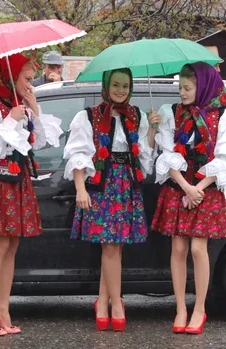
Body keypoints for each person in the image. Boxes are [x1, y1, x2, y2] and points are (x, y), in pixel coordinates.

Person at [0, 53, 63, 336]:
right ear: (9, 76)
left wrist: (34, 108)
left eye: (32, 79)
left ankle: (4, 307)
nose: (29, 84)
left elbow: (42, 142)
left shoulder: (17, 105)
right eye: (26, 79)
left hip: (16, 181)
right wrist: (10, 119)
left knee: (11, 246)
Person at [152, 62, 226, 334]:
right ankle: (181, 307)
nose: (182, 93)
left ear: (202, 86)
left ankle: (199, 308)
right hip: (179, 187)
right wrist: (185, 186)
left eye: (188, 88)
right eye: (180, 87)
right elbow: (168, 155)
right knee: (179, 249)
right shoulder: (173, 113)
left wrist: (199, 189)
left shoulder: (223, 115)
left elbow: (223, 159)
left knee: (197, 249)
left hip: (206, 188)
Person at [63, 68, 160, 331]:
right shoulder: (89, 116)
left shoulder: (136, 115)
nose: (120, 90)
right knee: (109, 247)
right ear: (106, 85)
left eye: (126, 85)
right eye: (115, 84)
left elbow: (144, 156)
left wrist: (152, 130)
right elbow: (78, 153)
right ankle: (116, 302)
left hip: (126, 183)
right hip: (101, 185)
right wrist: (80, 188)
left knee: (116, 247)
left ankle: (104, 300)